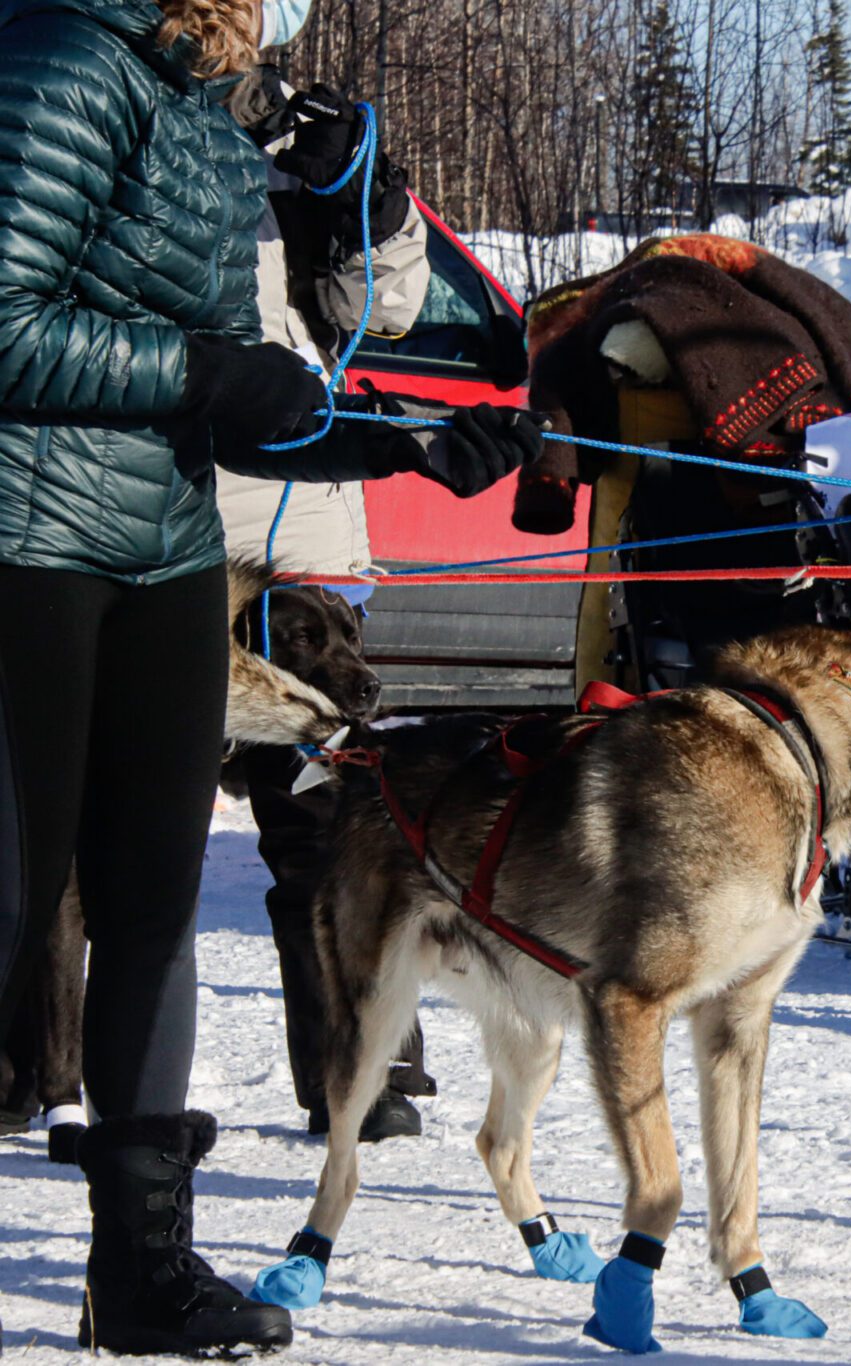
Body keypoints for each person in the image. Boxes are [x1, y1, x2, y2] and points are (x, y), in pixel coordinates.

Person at [0, 0, 537, 1351]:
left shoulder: (205, 102)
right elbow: (7, 324)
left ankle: (138, 1271)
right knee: (16, 900)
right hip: (24, 538)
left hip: (167, 543)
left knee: (152, 908)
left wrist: (405, 443)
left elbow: (244, 391)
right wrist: (205, 372)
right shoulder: (62, 55)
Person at [218, 62, 440, 1144]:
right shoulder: (90, 91)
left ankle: (357, 1076)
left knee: (318, 829)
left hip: (301, 538)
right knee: (90, 837)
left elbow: (382, 311)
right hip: (160, 536)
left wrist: (367, 194)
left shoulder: (277, 123)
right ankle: (40, 1069)